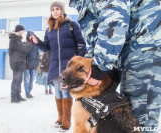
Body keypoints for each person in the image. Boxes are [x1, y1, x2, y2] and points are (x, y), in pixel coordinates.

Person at [69, 0, 161, 130]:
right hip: (123, 53)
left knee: (140, 120)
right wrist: (92, 62)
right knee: (120, 114)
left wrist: (100, 64)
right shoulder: (82, 2)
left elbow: (114, 20)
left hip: (145, 51)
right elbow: (96, 38)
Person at [27, 1, 87, 131]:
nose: (55, 11)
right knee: (58, 94)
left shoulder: (72, 25)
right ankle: (60, 118)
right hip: (54, 65)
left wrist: (78, 62)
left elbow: (81, 44)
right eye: (53, 9)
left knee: (66, 94)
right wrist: (37, 42)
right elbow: (47, 48)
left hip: (68, 67)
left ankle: (66, 121)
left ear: (62, 10)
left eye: (57, 9)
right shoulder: (49, 29)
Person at [9, 25, 30, 103]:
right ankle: (13, 97)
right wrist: (28, 44)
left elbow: (22, 48)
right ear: (19, 30)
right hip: (16, 63)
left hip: (19, 62)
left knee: (19, 80)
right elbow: (25, 49)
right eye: (22, 30)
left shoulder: (17, 40)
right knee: (16, 80)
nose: (23, 32)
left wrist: (25, 44)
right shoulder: (14, 40)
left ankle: (18, 95)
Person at [23, 31, 39, 99]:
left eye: (33, 36)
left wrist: (37, 63)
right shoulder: (24, 44)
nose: (32, 37)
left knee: (32, 80)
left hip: (33, 66)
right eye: (30, 36)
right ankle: (27, 93)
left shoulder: (35, 45)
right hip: (26, 65)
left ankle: (29, 92)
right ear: (28, 37)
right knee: (26, 80)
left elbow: (37, 55)